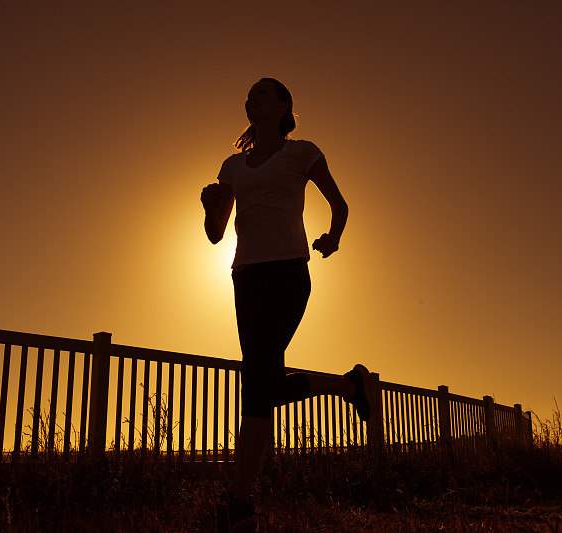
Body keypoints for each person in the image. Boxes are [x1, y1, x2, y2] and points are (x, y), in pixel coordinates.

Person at [200, 77, 375, 532]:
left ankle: (238, 503)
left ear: (283, 105)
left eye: (263, 90)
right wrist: (208, 206)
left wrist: (333, 238)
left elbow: (340, 204)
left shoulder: (302, 153)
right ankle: (349, 387)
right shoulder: (232, 166)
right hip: (244, 277)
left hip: (288, 273)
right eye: (249, 91)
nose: (251, 95)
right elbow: (216, 233)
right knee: (265, 384)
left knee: (257, 384)